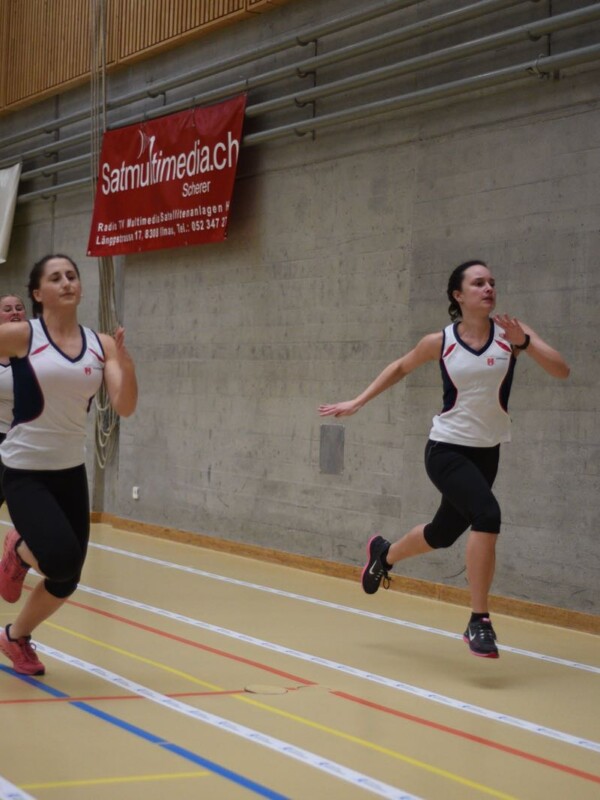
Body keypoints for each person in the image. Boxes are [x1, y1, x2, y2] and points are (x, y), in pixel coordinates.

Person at [319, 260, 569, 658]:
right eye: (478, 283)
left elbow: (561, 370)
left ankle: (384, 554)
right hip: (446, 449)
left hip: (487, 453)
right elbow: (400, 367)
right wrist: (358, 401)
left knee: (442, 533)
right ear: (458, 295)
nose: (488, 288)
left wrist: (526, 343)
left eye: (492, 282)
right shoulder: (441, 341)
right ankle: (479, 621)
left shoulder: (512, 334)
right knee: (487, 514)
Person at [0, 254, 137, 675]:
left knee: (68, 576)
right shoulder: (21, 335)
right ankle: (19, 551)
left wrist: (126, 363)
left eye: (72, 276)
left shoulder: (102, 344)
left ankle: (14, 637)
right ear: (38, 293)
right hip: (24, 470)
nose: (66, 282)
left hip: (70, 471)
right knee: (59, 558)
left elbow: (125, 406)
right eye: (56, 277)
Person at [0, 294, 28, 508]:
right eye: (7, 309)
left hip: (28, 438)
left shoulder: (37, 351)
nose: (15, 312)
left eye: (19, 308)